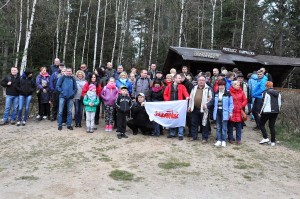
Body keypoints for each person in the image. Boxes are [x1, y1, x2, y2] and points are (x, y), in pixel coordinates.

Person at [164, 74, 190, 140]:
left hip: (179, 106)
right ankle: (172, 133)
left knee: (180, 119)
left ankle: (180, 134)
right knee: (172, 118)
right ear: (175, 79)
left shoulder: (182, 86)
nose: (180, 79)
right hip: (171, 105)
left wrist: (187, 97)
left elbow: (186, 93)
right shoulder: (168, 86)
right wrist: (168, 101)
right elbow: (165, 94)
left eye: (180, 78)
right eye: (179, 78)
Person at [188, 76, 213, 142]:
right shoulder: (194, 88)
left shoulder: (208, 89)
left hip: (204, 109)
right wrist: (189, 106)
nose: (201, 81)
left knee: (204, 124)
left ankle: (204, 138)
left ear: (205, 81)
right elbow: (191, 98)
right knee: (194, 123)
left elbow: (211, 99)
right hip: (195, 108)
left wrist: (207, 105)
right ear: (198, 81)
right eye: (200, 80)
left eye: (202, 80)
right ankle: (194, 137)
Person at [210, 80, 233, 147]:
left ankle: (223, 140)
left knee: (224, 127)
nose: (221, 87)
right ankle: (219, 140)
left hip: (225, 112)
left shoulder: (228, 93)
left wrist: (230, 112)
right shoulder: (216, 93)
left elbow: (231, 104)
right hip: (217, 112)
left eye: (222, 85)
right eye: (220, 85)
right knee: (218, 127)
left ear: (224, 86)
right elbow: (213, 102)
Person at [259, 81, 281, 146]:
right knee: (272, 126)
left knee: (261, 124)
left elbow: (264, 103)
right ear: (272, 86)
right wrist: (278, 110)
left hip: (266, 111)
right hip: (276, 111)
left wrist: (260, 112)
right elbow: (279, 103)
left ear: (266, 86)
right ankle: (273, 141)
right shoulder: (278, 93)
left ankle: (265, 137)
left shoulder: (265, 92)